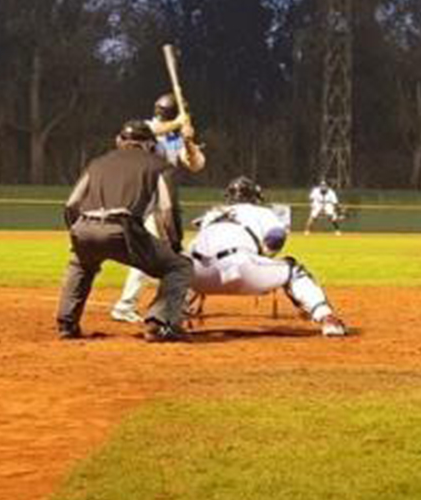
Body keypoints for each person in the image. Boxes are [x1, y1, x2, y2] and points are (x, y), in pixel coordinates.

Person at [56, 120, 193, 342]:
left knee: (81, 264)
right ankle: (159, 323)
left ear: (119, 141)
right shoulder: (159, 165)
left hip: (84, 227)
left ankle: (66, 323)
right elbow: (167, 209)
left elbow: (71, 204)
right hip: (122, 229)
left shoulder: (97, 163)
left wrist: (75, 236)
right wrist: (175, 243)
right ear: (149, 144)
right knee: (180, 266)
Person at [189, 176, 347, 337]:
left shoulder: (212, 213)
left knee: (180, 270)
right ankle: (327, 318)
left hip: (197, 277)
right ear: (254, 196)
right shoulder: (261, 212)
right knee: (293, 269)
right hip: (241, 269)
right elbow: (277, 237)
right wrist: (263, 258)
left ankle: (170, 318)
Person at [110, 94, 206, 323]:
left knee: (168, 254)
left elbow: (196, 165)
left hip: (165, 202)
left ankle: (174, 301)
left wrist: (189, 141)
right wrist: (179, 122)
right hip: (147, 200)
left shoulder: (176, 138)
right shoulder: (145, 129)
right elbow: (151, 130)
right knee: (161, 255)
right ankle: (127, 305)